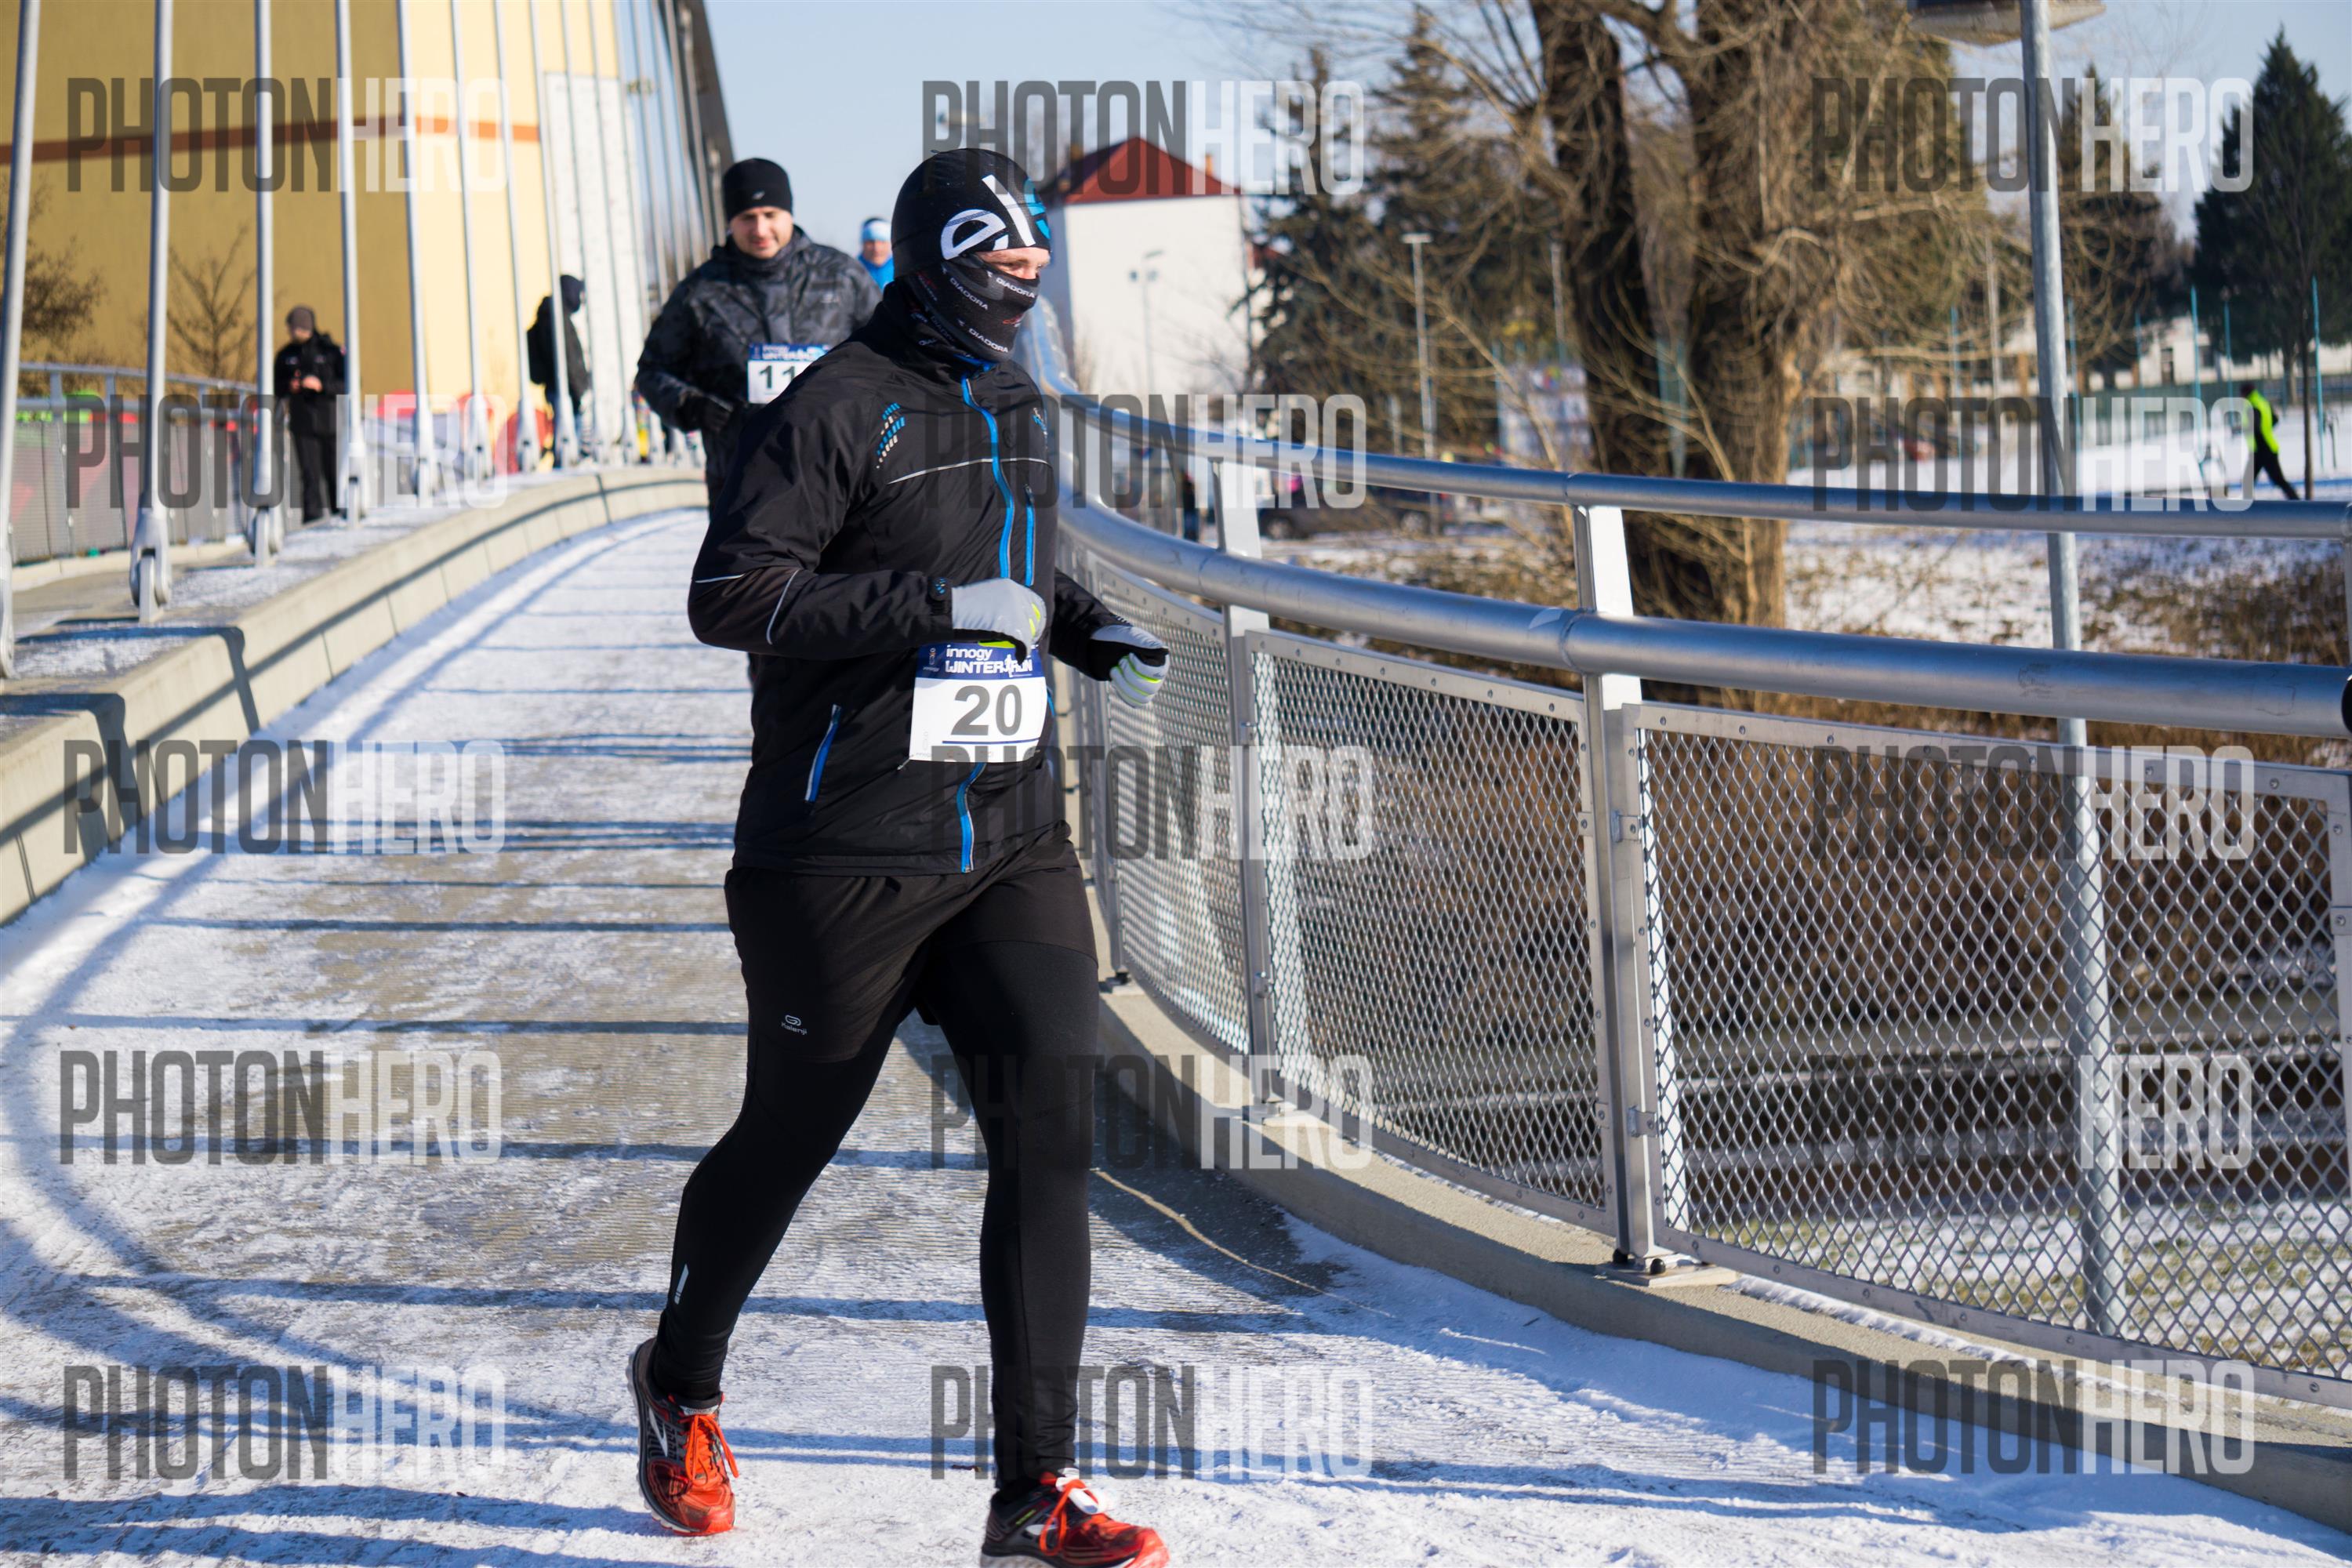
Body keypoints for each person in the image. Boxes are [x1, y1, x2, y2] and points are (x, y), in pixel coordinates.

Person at [624, 148, 1172, 1568]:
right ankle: (680, 1381)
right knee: (790, 1138)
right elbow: (733, 596)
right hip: (841, 846)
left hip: (1008, 831)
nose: (1020, 293)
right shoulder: (830, 408)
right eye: (1000, 271)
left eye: (1033, 271)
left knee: (1051, 1128)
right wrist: (934, 606)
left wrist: (1077, 623)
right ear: (935, 271)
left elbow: (1011, 567)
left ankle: (1034, 1493)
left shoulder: (1019, 400)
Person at [635, 158, 880, 507]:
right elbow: (653, 370)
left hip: (838, 473)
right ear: (730, 222)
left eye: (770, 215)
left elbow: (889, 350)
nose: (761, 229)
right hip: (740, 481)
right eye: (748, 218)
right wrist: (690, 405)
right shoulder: (701, 292)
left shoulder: (842, 276)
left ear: (789, 214)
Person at [271, 306, 345, 523]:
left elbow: (346, 384)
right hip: (303, 423)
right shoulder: (286, 355)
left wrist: (321, 385)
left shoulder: (330, 352)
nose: (289, 331)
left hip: (329, 421)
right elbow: (276, 387)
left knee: (334, 472)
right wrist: (290, 385)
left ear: (302, 327)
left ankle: (341, 515)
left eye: (292, 327)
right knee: (310, 475)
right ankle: (312, 520)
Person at [528, 276, 590, 463]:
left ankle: (566, 463)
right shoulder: (555, 318)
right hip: (565, 390)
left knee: (568, 437)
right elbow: (567, 359)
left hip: (564, 389)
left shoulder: (554, 315)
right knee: (568, 441)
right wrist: (578, 389)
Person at [2240, 382, 2299, 499]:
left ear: (2246, 393)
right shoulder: (2262, 401)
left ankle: (2296, 501)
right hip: (2266, 447)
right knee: (2250, 481)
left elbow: (2255, 426)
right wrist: (2266, 429)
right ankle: (2295, 500)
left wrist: (2252, 430)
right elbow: (2275, 419)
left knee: (2276, 479)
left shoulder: (2252, 405)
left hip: (2262, 448)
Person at [858, 216, 893, 288]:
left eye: (882, 242)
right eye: (870, 242)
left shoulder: (902, 270)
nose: (877, 248)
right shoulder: (852, 270)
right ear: (863, 243)